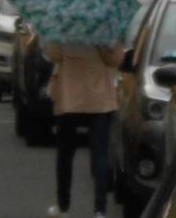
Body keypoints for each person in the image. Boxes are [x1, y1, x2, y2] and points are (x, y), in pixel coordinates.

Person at [42, 41, 124, 218]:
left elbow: (53, 55)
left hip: (69, 96)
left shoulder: (63, 23)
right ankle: (100, 210)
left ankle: (63, 206)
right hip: (99, 98)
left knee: (65, 154)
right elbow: (116, 59)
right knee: (100, 155)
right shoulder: (103, 24)